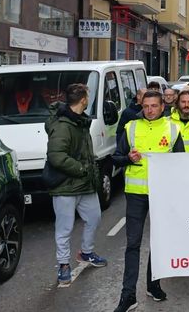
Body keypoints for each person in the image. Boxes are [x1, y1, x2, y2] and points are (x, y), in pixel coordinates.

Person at [111, 91, 186, 312]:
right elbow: (116, 157)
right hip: (135, 193)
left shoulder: (173, 129)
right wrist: (127, 159)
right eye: (146, 106)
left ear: (163, 106)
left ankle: (153, 285)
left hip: (162, 194)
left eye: (154, 105)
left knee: (159, 243)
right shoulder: (131, 127)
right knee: (133, 244)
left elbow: (181, 163)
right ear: (141, 106)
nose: (150, 110)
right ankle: (128, 295)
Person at [46, 83, 106, 288]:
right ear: (83, 99)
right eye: (87, 96)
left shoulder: (79, 121)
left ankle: (86, 252)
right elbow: (56, 156)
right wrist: (81, 169)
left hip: (84, 185)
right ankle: (63, 264)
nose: (88, 99)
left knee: (94, 217)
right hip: (66, 186)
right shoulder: (64, 125)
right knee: (64, 228)